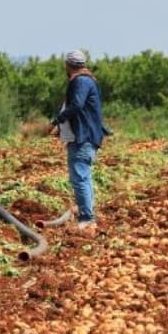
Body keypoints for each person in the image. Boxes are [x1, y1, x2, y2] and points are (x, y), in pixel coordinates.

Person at [49, 49, 107, 230]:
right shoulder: (88, 79)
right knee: (84, 177)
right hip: (87, 136)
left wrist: (57, 121)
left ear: (68, 65)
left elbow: (76, 105)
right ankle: (87, 214)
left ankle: (87, 218)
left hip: (84, 137)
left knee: (80, 178)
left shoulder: (80, 81)